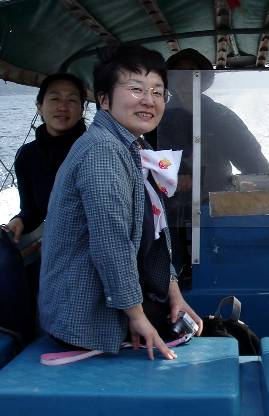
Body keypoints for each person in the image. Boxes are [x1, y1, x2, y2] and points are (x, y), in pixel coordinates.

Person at [39, 44, 202, 361]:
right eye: (136, 89)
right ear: (104, 99)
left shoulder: (132, 147)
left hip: (114, 300)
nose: (149, 100)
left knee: (194, 328)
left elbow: (155, 232)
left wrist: (175, 295)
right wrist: (137, 317)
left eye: (157, 92)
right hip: (87, 319)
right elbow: (111, 242)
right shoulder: (102, 151)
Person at [155, 48, 269, 275]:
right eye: (179, 73)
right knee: (172, 277)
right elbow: (144, 165)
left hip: (216, 211)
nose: (186, 78)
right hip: (167, 216)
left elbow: (253, 160)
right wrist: (172, 180)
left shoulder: (221, 117)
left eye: (193, 72)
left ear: (204, 79)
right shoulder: (156, 118)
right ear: (170, 80)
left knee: (219, 274)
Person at [6, 73, 87, 243]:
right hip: (58, 244)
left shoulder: (96, 150)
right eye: (55, 99)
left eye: (72, 100)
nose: (62, 107)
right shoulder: (27, 156)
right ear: (39, 107)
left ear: (82, 110)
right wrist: (20, 220)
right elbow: (32, 210)